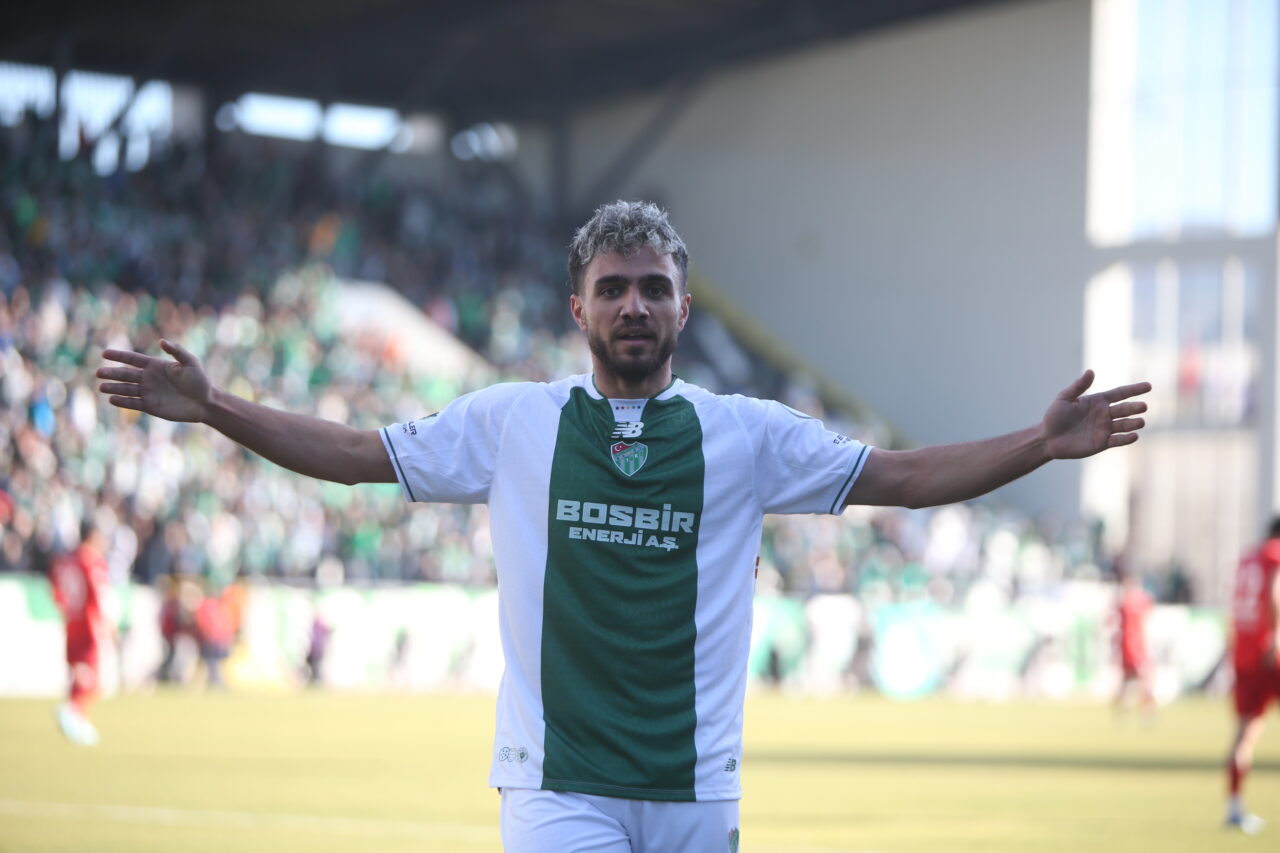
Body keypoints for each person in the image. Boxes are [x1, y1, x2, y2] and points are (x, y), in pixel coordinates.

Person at [97, 200, 1151, 852]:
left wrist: (1037, 442)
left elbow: (905, 477)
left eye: (654, 288)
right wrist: (219, 408)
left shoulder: (746, 433)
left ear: (684, 308)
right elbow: (357, 454)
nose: (634, 306)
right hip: (558, 785)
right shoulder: (512, 422)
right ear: (579, 310)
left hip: (696, 787)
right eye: (613, 290)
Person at [1224, 517, 1280, 834]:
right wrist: (1275, 634)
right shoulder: (1275, 554)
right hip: (1269, 651)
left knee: (1245, 732)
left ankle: (1234, 807)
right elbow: (1275, 593)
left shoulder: (1248, 558)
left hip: (1245, 651)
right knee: (1247, 731)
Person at [49, 520, 113, 746]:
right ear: (93, 536)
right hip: (89, 622)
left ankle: (79, 719)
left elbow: (55, 588)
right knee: (93, 676)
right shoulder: (92, 561)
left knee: (78, 671)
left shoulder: (66, 560)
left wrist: (66, 609)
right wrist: (106, 622)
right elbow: (98, 593)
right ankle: (72, 709)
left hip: (72, 621)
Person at [1113, 569, 1156, 721]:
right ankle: (1146, 712)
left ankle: (1124, 710)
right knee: (1144, 680)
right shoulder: (1139, 602)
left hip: (1130, 647)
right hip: (1136, 648)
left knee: (1129, 681)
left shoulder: (1124, 604)